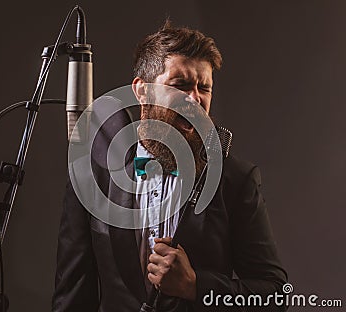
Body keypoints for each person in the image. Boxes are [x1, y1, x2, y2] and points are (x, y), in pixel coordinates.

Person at [52, 21, 288, 312]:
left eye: (204, 88)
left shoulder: (236, 180)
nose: (195, 99)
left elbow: (275, 294)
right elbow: (73, 291)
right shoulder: (94, 169)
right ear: (142, 91)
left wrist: (195, 286)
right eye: (181, 85)